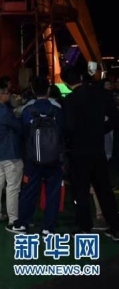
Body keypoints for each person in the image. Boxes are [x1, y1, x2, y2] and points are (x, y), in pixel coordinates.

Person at [61, 65, 119, 241]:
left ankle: (84, 227)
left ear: (66, 82)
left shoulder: (70, 100)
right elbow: (115, 118)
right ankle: (115, 227)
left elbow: (68, 128)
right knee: (104, 190)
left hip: (78, 151)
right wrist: (101, 130)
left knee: (81, 192)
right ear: (81, 77)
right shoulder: (100, 94)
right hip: (97, 149)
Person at [6, 76, 63, 236]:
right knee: (53, 192)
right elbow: (62, 133)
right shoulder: (57, 109)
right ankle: (48, 227)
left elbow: (23, 133)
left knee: (29, 191)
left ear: (32, 90)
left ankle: (23, 224)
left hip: (32, 158)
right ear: (49, 89)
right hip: (54, 158)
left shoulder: (27, 110)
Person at [0, 81, 23, 226]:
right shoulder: (4, 111)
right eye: (7, 93)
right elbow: (18, 126)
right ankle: (13, 218)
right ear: (1, 95)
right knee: (12, 187)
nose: (10, 95)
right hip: (10, 153)